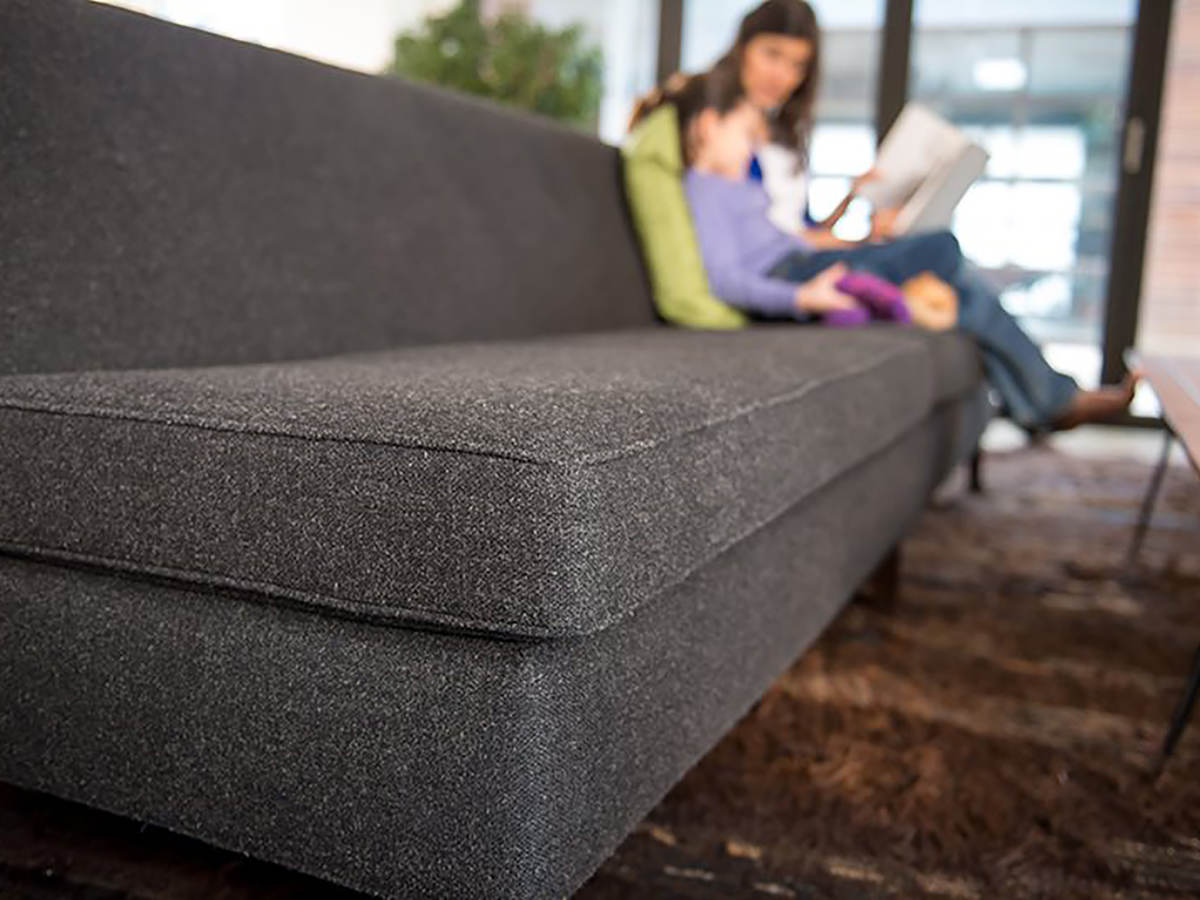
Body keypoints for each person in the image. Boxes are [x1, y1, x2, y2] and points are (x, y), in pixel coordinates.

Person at [632, 0, 1136, 433]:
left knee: (956, 291)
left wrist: (856, 217)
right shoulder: (718, 129)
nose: (781, 75)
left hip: (799, 256)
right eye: (772, 55)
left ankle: (1048, 402)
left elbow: (793, 233)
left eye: (797, 65)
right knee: (943, 252)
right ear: (743, 47)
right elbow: (740, 253)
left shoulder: (774, 133)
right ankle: (1049, 401)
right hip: (788, 272)